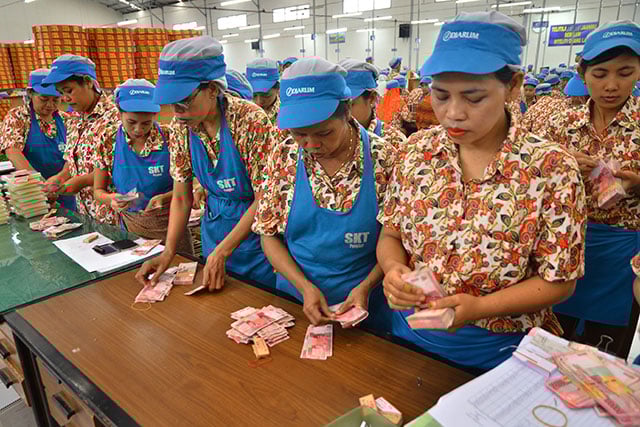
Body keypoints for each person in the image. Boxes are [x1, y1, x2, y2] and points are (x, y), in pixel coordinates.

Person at [377, 11, 586, 370]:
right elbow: (391, 233)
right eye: (440, 95)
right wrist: (394, 270)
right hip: (410, 335)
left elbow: (559, 281)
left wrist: (480, 308)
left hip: (498, 350)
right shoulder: (416, 152)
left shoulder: (551, 168)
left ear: (514, 85)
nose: (453, 113)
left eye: (473, 98)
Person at [252, 58, 394, 331]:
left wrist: (366, 287)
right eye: (299, 134)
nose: (312, 144)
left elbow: (394, 239)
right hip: (296, 298)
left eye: (324, 133)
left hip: (365, 302)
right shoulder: (283, 155)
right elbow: (267, 234)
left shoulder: (383, 157)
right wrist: (304, 287)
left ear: (347, 111)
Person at [136, 36, 277, 292]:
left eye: (184, 102)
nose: (177, 112)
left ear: (212, 89)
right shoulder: (181, 128)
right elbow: (181, 197)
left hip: (255, 238)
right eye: (172, 104)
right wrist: (168, 251)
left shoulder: (249, 121)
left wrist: (224, 250)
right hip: (214, 229)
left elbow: (263, 198)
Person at [543, 21, 640, 357]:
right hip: (564, 248)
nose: (611, 85)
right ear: (582, 74)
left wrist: (636, 182)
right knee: (553, 344)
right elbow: (532, 180)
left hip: (622, 256)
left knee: (604, 352)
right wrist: (561, 163)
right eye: (599, 74)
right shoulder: (561, 125)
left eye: (625, 73)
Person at [93, 79, 193, 254]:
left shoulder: (170, 137)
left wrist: (164, 198)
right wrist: (112, 199)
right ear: (119, 112)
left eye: (146, 123)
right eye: (131, 122)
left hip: (172, 225)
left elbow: (191, 185)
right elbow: (98, 191)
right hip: (133, 227)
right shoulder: (107, 140)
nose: (138, 129)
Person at [41, 55, 119, 224]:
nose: (65, 98)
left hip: (113, 215)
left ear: (88, 82)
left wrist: (82, 181)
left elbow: (121, 168)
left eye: (69, 90)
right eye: (61, 93)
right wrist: (60, 177)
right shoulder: (75, 119)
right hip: (85, 213)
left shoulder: (115, 119)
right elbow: (73, 161)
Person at [0, 69, 75, 210]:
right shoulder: (18, 117)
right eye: (44, 99)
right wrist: (40, 184)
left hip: (65, 189)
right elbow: (13, 151)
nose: (50, 105)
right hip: (33, 193)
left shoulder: (66, 119)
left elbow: (73, 156)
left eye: (55, 99)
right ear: (30, 93)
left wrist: (59, 179)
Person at [339, 59, 406, 149]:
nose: (342, 114)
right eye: (338, 106)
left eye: (350, 105)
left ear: (372, 98)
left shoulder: (393, 141)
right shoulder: (330, 139)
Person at [246, 58, 280, 126]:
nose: (259, 101)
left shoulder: (286, 113)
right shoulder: (243, 112)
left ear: (277, 89)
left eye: (266, 96)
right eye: (254, 95)